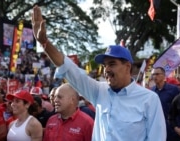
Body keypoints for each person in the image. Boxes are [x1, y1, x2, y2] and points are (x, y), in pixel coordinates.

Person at [32, 5, 166, 141]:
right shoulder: (99, 92)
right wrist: (45, 43)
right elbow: (69, 69)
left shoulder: (149, 99)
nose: (106, 69)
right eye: (105, 65)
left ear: (127, 67)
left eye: (112, 64)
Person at [151, 67, 180, 141]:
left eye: (157, 74)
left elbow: (179, 109)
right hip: (157, 127)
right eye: (153, 74)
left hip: (172, 128)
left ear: (164, 76)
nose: (155, 76)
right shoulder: (151, 91)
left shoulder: (174, 89)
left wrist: (177, 126)